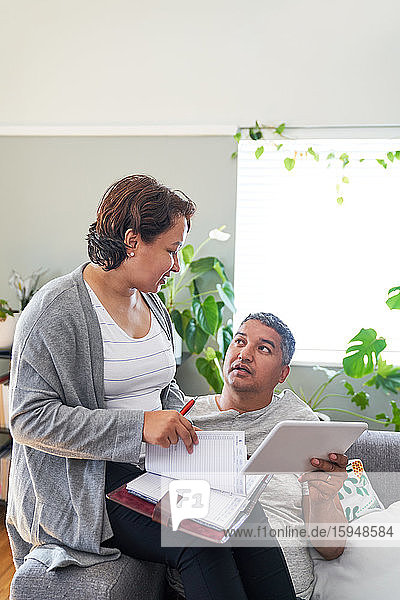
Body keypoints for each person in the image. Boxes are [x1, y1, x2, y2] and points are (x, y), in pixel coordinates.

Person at [6, 176, 297, 600]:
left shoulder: (151, 302)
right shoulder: (56, 312)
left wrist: (188, 421)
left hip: (160, 468)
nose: (177, 265)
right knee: (199, 541)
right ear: (131, 241)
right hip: (93, 483)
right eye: (171, 250)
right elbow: (27, 419)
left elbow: (162, 388)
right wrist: (139, 427)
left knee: (248, 520)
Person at [168, 312, 348, 600]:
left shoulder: (301, 424)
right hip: (203, 582)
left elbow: (331, 547)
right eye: (239, 342)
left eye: (263, 348)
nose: (245, 354)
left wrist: (323, 496)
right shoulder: (184, 418)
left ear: (282, 374)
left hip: (288, 588)